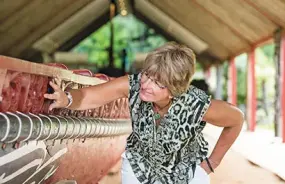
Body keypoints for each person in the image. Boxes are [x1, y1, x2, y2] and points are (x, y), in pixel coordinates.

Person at [44, 42, 244, 184]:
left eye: (158, 83)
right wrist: (67, 99)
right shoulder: (133, 84)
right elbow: (89, 96)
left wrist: (212, 162)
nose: (146, 85)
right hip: (139, 167)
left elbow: (236, 119)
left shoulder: (196, 104)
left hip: (187, 171)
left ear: (175, 89)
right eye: (147, 75)